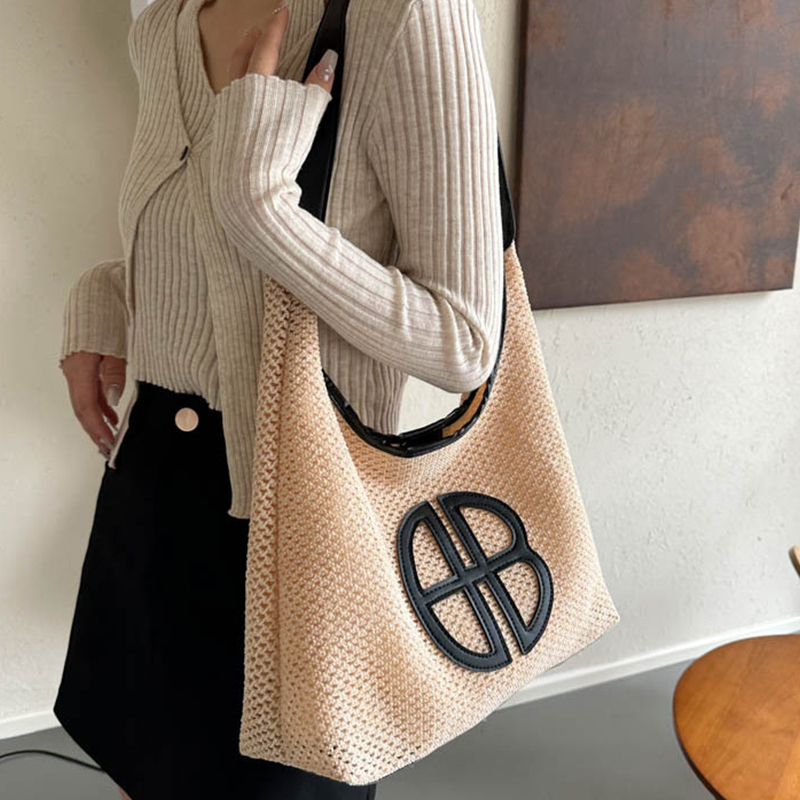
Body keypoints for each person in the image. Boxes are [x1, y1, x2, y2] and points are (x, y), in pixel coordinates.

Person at [54, 0, 505, 797]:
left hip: (297, 532)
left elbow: (463, 340)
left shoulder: (404, 15)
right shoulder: (166, 21)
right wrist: (104, 296)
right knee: (139, 772)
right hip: (150, 489)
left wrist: (260, 205)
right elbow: (200, 249)